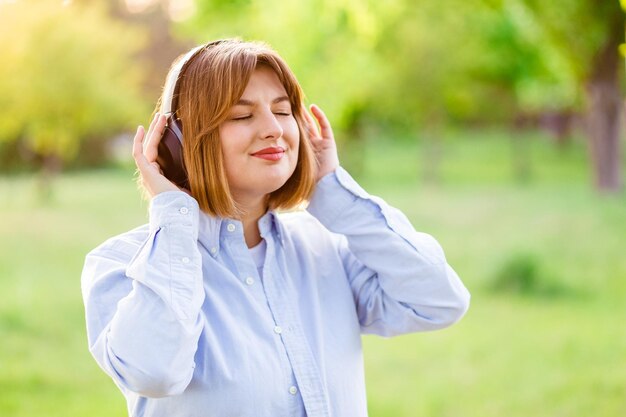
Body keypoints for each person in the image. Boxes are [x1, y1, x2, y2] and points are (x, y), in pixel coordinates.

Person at [81, 38, 470, 417]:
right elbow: (155, 372)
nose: (273, 129)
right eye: (241, 115)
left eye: (283, 112)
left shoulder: (325, 248)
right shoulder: (121, 267)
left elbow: (439, 300)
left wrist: (332, 192)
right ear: (177, 143)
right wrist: (173, 213)